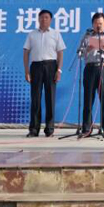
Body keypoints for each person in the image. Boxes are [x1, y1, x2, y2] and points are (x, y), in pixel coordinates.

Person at [22, 9, 65, 138]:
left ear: (50, 20)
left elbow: (60, 53)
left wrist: (59, 70)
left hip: (51, 66)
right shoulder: (32, 34)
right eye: (41, 17)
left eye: (46, 17)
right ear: (38, 19)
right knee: (35, 98)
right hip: (36, 66)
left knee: (50, 98)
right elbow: (26, 52)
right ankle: (34, 129)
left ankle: (49, 129)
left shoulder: (56, 34)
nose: (44, 19)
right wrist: (27, 70)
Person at [79, 12, 104, 139]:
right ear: (92, 24)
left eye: (100, 23)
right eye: (96, 23)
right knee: (88, 100)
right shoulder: (87, 35)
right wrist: (87, 49)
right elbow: (79, 54)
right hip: (90, 69)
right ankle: (87, 129)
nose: (98, 25)